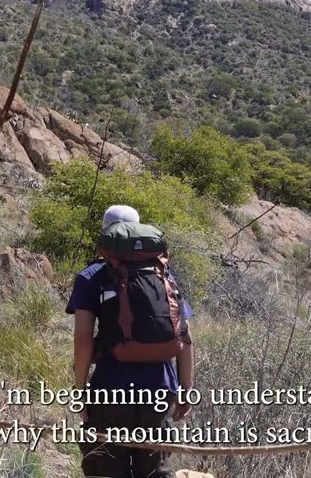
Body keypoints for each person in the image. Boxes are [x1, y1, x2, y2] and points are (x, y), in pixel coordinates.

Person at [66, 204, 195, 478]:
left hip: (110, 388)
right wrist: (186, 388)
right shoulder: (163, 275)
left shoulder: (91, 277)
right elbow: (184, 336)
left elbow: (83, 338)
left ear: (105, 234)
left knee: (105, 469)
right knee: (154, 471)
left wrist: (80, 391)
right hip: (160, 388)